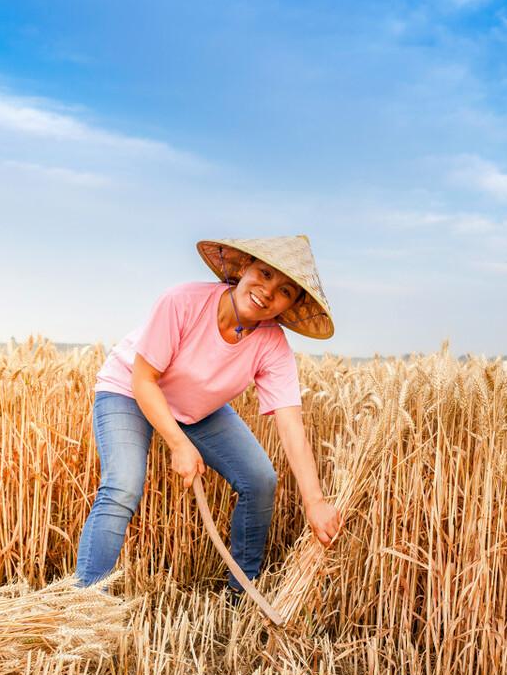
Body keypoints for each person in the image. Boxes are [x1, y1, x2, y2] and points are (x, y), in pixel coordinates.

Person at [74, 235, 340, 595]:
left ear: (287, 307)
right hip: (130, 391)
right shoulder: (183, 301)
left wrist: (316, 502)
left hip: (197, 409)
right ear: (244, 268)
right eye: (264, 273)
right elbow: (144, 380)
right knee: (123, 486)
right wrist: (178, 443)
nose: (267, 291)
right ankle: (87, 603)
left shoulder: (273, 346)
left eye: (285, 291)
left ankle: (241, 594)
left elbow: (290, 424)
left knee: (260, 480)